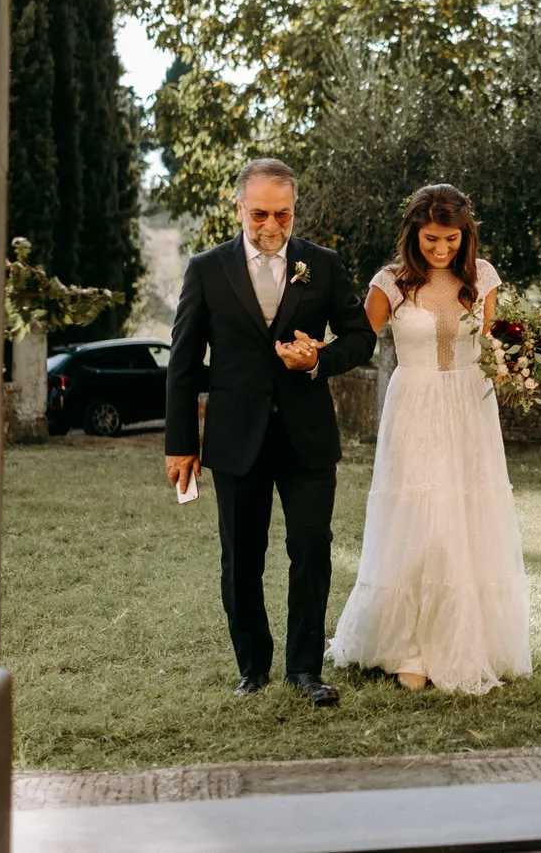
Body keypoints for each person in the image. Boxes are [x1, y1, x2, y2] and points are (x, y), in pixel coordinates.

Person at [165, 158, 377, 705]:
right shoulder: (206, 269)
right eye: (259, 212)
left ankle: (305, 672)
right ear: (238, 208)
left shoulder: (322, 265)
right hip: (236, 440)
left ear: (294, 210)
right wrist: (181, 444)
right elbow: (184, 364)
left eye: (282, 214)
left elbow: (360, 337)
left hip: (307, 438)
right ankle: (253, 671)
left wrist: (317, 359)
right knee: (241, 557)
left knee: (311, 549)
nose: (271, 225)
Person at [327, 184, 531, 693]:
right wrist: (312, 354)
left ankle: (463, 640)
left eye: (451, 240)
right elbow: (355, 341)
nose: (441, 250)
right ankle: (411, 648)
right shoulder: (391, 282)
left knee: (465, 520)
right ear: (413, 234)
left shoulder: (481, 277)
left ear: (466, 236)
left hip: (469, 408)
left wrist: (518, 369)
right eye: (432, 240)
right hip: (414, 407)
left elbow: (491, 344)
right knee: (422, 521)